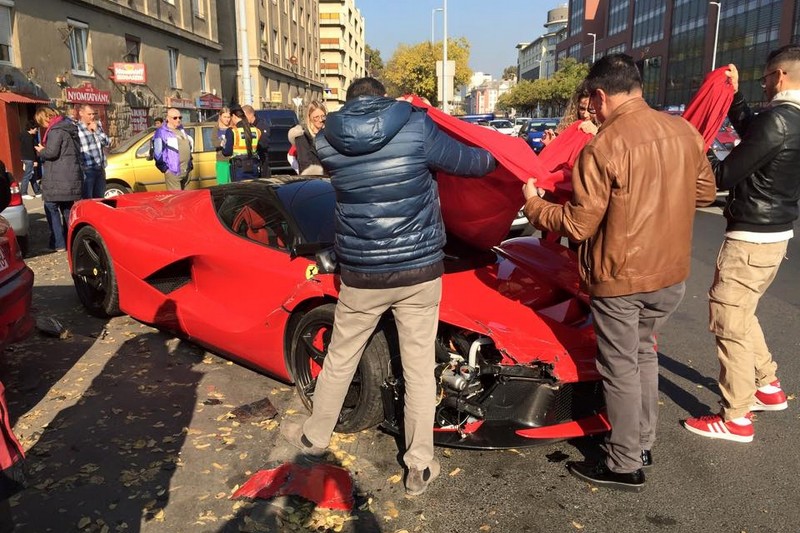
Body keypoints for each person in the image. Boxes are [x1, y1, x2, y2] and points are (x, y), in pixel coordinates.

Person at [279, 77, 496, 496]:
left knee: (341, 357)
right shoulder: (416, 127)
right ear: (385, 98)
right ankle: (419, 466)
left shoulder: (328, 143)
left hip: (361, 273)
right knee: (416, 368)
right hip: (419, 271)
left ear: (348, 102)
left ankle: (314, 439)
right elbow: (476, 164)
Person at [522, 54, 716, 492]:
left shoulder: (603, 147)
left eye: (592, 103)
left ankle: (624, 462)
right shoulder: (684, 130)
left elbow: (577, 224)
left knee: (620, 366)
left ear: (599, 95)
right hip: (671, 273)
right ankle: (641, 441)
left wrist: (533, 204)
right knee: (643, 354)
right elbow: (704, 192)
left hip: (620, 277)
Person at [683, 45, 800, 443]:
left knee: (728, 319)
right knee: (743, 311)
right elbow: (756, 132)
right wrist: (734, 97)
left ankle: (735, 417)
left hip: (751, 238)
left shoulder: (778, 121)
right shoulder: (789, 120)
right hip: (773, 235)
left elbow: (723, 175)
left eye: (766, 78)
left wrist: (691, 149)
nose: (764, 84)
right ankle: (767, 385)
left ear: (780, 77)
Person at [34, 106, 83, 252]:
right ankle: (72, 241)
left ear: (45, 118)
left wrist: (41, 151)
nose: (42, 125)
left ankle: (59, 243)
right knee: (67, 209)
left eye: (41, 121)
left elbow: (52, 153)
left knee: (51, 207)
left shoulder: (56, 131)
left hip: (58, 178)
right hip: (71, 177)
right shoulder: (70, 128)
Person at [542, 82, 598, 147]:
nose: (585, 115)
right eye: (582, 109)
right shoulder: (563, 133)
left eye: (591, 109)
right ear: (576, 108)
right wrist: (551, 145)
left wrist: (597, 134)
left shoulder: (607, 133)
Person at [152, 108, 193, 190]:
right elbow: (157, 153)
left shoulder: (181, 129)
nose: (178, 120)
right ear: (168, 118)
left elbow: (187, 146)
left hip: (186, 170)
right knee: (176, 200)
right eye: (175, 118)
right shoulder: (161, 132)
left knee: (187, 199)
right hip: (173, 172)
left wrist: (190, 164)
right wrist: (165, 169)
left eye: (180, 117)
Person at [76, 104, 110, 199]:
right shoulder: (76, 128)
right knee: (87, 200)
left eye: (93, 114)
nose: (92, 116)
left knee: (99, 199)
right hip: (87, 169)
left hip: (100, 168)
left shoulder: (97, 125)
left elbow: (107, 143)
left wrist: (97, 131)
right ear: (81, 113)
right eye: (89, 114)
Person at [287, 100, 326, 175]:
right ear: (309, 117)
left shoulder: (327, 133)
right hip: (312, 179)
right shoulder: (302, 136)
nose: (320, 120)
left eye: (323, 116)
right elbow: (304, 162)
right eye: (316, 117)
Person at [241, 105, 271, 177]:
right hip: (251, 161)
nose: (243, 119)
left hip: (261, 160)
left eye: (244, 116)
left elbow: (264, 143)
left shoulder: (262, 126)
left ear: (251, 114)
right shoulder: (247, 126)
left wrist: (254, 146)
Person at [19, 120, 41, 199]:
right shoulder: (27, 137)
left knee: (33, 176)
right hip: (29, 159)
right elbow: (29, 150)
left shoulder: (28, 136)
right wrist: (34, 160)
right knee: (27, 176)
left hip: (27, 158)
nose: (37, 130)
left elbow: (35, 145)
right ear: (31, 128)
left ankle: (38, 191)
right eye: (36, 128)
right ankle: (23, 193)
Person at [215, 107, 237, 184]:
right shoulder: (217, 128)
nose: (227, 119)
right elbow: (214, 143)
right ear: (220, 116)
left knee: (233, 185)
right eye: (224, 117)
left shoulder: (234, 128)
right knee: (222, 185)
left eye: (228, 117)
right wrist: (225, 141)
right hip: (222, 160)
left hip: (233, 160)